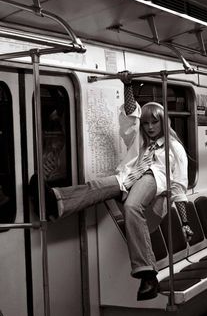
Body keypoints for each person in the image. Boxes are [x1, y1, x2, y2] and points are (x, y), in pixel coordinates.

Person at [29, 71, 193, 301]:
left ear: (163, 121)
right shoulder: (140, 143)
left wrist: (185, 222)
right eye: (146, 123)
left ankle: (148, 275)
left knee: (133, 205)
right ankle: (55, 202)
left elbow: (178, 188)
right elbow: (130, 113)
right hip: (130, 182)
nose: (149, 127)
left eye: (154, 122)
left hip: (154, 196)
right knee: (98, 185)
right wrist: (127, 85)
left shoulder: (173, 149)